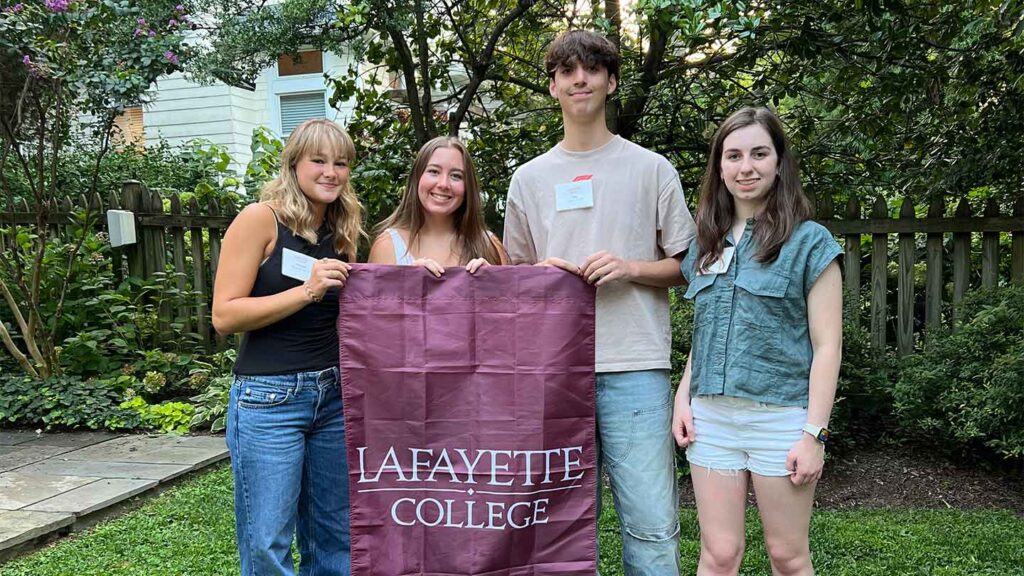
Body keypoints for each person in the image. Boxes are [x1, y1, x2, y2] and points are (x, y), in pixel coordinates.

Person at [503, 29, 696, 575]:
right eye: (567, 71)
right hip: (552, 373)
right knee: (553, 525)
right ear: (553, 87)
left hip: (634, 367)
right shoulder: (528, 179)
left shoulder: (651, 168)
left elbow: (689, 267)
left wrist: (630, 268)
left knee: (651, 524)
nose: (579, 79)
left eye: (591, 69)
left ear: (611, 82)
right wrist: (537, 277)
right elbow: (514, 279)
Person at [671, 106, 843, 576]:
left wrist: (815, 435)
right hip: (712, 422)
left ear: (779, 162)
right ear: (719, 167)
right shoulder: (707, 241)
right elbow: (705, 332)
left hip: (781, 421)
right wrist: (683, 397)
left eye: (759, 154)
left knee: (788, 557)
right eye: (733, 156)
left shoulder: (811, 242)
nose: (745, 167)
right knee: (719, 555)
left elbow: (828, 347)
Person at [212, 118, 362, 576]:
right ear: (294, 163)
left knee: (335, 538)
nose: (330, 172)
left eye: (340, 163)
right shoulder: (261, 219)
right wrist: (307, 291)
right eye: (318, 160)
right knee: (267, 542)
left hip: (333, 395)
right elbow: (224, 316)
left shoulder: (342, 232)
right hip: (268, 399)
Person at [368, 135, 507, 271]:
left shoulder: (489, 244)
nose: (443, 184)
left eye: (456, 176)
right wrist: (407, 283)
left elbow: (511, 294)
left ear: (468, 187)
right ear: (416, 178)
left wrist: (492, 284)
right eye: (434, 171)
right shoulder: (387, 245)